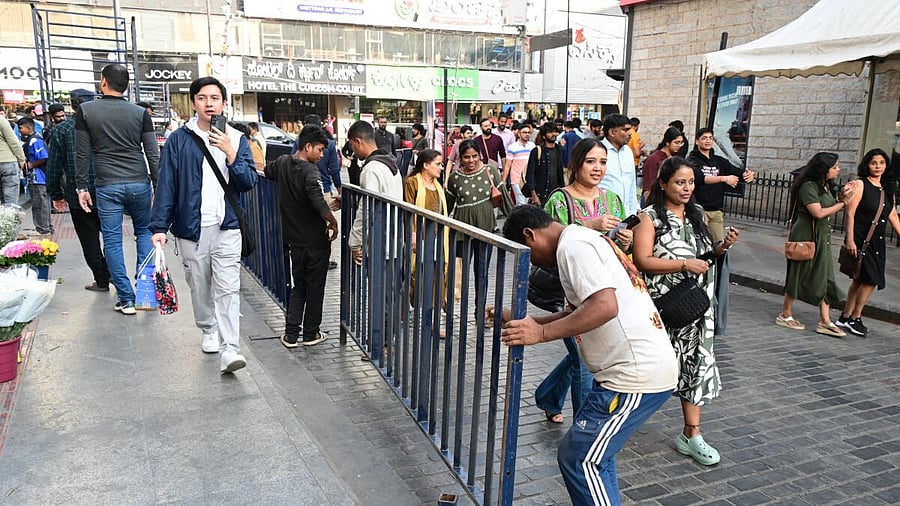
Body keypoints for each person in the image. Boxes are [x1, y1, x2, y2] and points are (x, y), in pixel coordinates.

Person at [498, 205, 677, 505]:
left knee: (580, 459)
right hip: (631, 372)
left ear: (530, 235)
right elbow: (579, 313)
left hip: (633, 375)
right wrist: (525, 322)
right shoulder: (580, 239)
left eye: (528, 256)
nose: (535, 265)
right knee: (594, 458)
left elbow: (605, 307)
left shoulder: (573, 246)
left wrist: (540, 334)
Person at [633, 156, 740, 466]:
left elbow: (703, 257)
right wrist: (682, 264)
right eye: (680, 182)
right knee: (648, 368)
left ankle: (692, 435)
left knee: (695, 366)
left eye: (691, 182)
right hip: (663, 309)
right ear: (663, 183)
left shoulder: (697, 215)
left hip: (695, 307)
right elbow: (642, 260)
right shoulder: (647, 217)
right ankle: (619, 425)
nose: (687, 188)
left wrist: (721, 248)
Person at [149, 76, 258, 373]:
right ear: (194, 102)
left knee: (228, 288)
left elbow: (248, 182)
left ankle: (230, 348)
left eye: (214, 98)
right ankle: (208, 327)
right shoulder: (179, 139)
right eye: (202, 98)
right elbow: (167, 184)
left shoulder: (236, 138)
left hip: (228, 227)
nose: (209, 103)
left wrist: (230, 152)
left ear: (224, 103)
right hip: (192, 228)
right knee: (199, 285)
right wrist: (158, 227)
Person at [536, 138, 633, 425]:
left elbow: (618, 249)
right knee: (584, 363)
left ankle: (548, 395)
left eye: (603, 162)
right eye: (591, 161)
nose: (598, 168)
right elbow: (551, 245)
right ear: (576, 164)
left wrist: (625, 241)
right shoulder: (560, 199)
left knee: (580, 356)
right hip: (570, 294)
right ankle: (585, 425)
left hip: (604, 291)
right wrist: (588, 226)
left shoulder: (612, 199)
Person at [75, 64, 159, 315]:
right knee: (144, 233)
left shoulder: (86, 110)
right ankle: (145, 294)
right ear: (127, 86)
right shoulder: (140, 113)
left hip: (107, 184)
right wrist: (159, 186)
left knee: (112, 239)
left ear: (103, 82)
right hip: (139, 182)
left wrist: (81, 186)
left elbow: (82, 153)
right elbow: (152, 154)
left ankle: (126, 298)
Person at [263, 125, 337, 348]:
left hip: (294, 240)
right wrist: (333, 221)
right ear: (308, 147)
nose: (322, 155)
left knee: (299, 286)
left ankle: (291, 334)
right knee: (315, 287)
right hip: (315, 241)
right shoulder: (311, 172)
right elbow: (317, 200)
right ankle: (311, 333)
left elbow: (266, 171)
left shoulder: (283, 162)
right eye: (320, 150)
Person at [776, 152, 853, 336]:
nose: (838, 170)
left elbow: (827, 206)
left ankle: (824, 320)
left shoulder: (825, 186)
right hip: (806, 234)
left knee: (825, 274)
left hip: (822, 235)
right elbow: (817, 212)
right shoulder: (808, 186)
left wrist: (840, 197)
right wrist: (843, 203)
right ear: (823, 169)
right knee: (799, 272)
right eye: (834, 167)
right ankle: (785, 314)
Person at [47, 88, 110, 291]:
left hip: (77, 195)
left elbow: (54, 165)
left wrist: (55, 193)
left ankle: (101, 280)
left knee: (89, 240)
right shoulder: (104, 125)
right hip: (107, 190)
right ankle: (116, 275)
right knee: (111, 237)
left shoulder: (62, 130)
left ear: (72, 105)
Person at [837, 149, 899, 336]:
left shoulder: (887, 189)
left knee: (860, 280)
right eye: (874, 162)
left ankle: (845, 317)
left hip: (877, 241)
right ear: (867, 164)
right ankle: (856, 317)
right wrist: (850, 239)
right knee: (870, 280)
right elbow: (850, 213)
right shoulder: (860, 184)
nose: (878, 166)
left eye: (881, 162)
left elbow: (892, 215)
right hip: (862, 239)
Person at [445, 139, 502, 322]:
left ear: (480, 155)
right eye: (466, 157)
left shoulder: (490, 172)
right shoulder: (455, 178)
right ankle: (453, 312)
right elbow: (447, 205)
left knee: (482, 272)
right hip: (462, 233)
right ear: (460, 158)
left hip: (485, 231)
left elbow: (505, 201)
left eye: (474, 156)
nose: (471, 160)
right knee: (459, 273)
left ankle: (480, 313)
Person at [403, 148, 449, 335]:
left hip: (437, 239)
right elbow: (407, 210)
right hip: (419, 239)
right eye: (438, 164)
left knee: (437, 278)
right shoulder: (412, 183)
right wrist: (412, 234)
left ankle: (433, 322)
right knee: (414, 276)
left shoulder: (438, 185)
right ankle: (404, 315)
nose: (441, 167)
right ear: (425, 165)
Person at [687, 127, 756, 242]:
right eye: (704, 138)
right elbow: (700, 178)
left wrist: (749, 175)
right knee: (698, 244)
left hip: (716, 210)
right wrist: (723, 178)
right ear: (697, 141)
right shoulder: (692, 160)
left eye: (710, 138)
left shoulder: (719, 161)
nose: (708, 141)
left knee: (718, 244)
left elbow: (737, 173)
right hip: (698, 209)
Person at [294, 114, 342, 270]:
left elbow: (292, 161)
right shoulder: (329, 144)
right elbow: (334, 169)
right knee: (326, 224)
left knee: (306, 221)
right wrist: (340, 190)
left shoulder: (299, 143)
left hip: (301, 190)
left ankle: (308, 255)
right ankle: (328, 257)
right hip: (325, 189)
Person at [600, 114, 640, 216]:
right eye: (625, 130)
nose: (630, 134)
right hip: (604, 214)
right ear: (612, 132)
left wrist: (634, 209)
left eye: (630, 129)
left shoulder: (627, 152)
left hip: (627, 214)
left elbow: (631, 184)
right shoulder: (598, 151)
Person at [17, 117, 51, 235]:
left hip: (39, 178)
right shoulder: (32, 140)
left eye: (20, 128)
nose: (19, 131)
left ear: (29, 127)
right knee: (40, 203)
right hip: (35, 177)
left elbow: (43, 157)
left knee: (40, 204)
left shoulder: (35, 141)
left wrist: (29, 165)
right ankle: (44, 227)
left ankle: (43, 228)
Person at [523, 122, 566, 206]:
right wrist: (534, 196)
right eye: (550, 132)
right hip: (541, 194)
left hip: (557, 193)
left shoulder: (560, 150)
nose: (553, 134)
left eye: (554, 132)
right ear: (543, 136)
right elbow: (530, 175)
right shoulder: (537, 151)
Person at [641, 127, 685, 202]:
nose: (679, 145)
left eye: (681, 143)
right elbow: (648, 187)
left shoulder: (674, 158)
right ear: (667, 142)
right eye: (676, 142)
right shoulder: (654, 159)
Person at [501, 123, 534, 205]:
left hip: (529, 178)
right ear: (519, 134)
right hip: (516, 178)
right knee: (520, 201)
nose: (527, 134)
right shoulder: (513, 147)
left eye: (528, 132)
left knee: (528, 201)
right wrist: (504, 181)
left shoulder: (532, 146)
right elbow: (508, 165)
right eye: (524, 132)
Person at [0, 108, 26, 206]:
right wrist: (21, 159)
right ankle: (9, 221)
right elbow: (14, 142)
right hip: (7, 163)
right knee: (10, 202)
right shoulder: (1, 120)